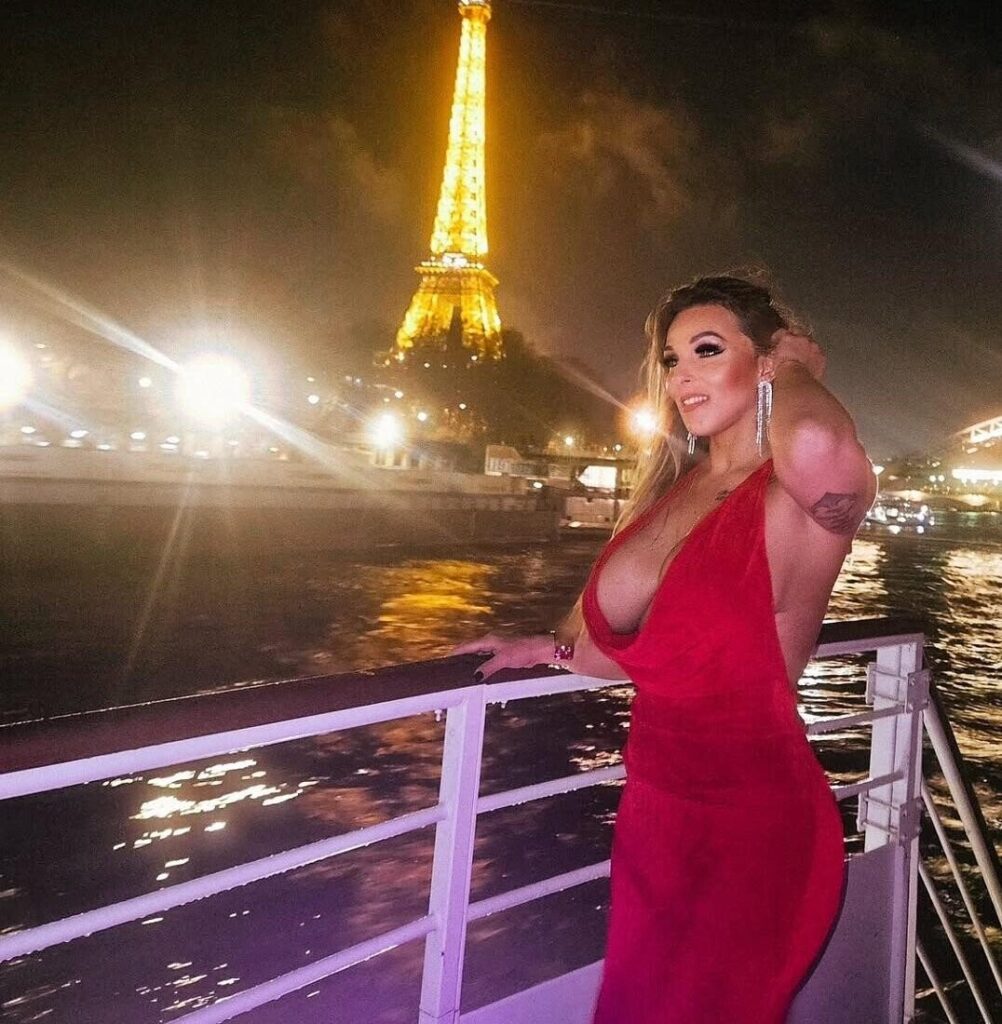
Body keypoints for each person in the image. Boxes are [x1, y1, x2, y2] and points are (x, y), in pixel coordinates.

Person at [453, 274, 876, 1023]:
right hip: (654, 815)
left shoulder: (794, 494)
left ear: (766, 359)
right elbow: (631, 652)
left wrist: (796, 366)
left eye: (706, 350)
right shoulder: (671, 490)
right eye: (672, 359)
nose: (681, 376)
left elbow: (817, 438)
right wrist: (550, 650)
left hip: (753, 826)